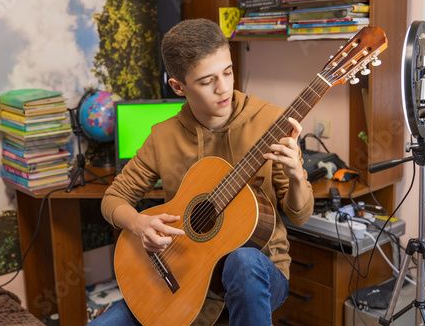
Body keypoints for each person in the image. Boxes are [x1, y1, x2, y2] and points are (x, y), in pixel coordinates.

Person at [89, 18, 314, 326]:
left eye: (228, 72)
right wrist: (141, 225)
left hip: (259, 274)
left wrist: (296, 175)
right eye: (207, 81)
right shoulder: (162, 137)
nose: (223, 88)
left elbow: (299, 215)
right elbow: (112, 198)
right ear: (178, 86)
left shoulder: (272, 123)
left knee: (243, 261)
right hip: (179, 272)